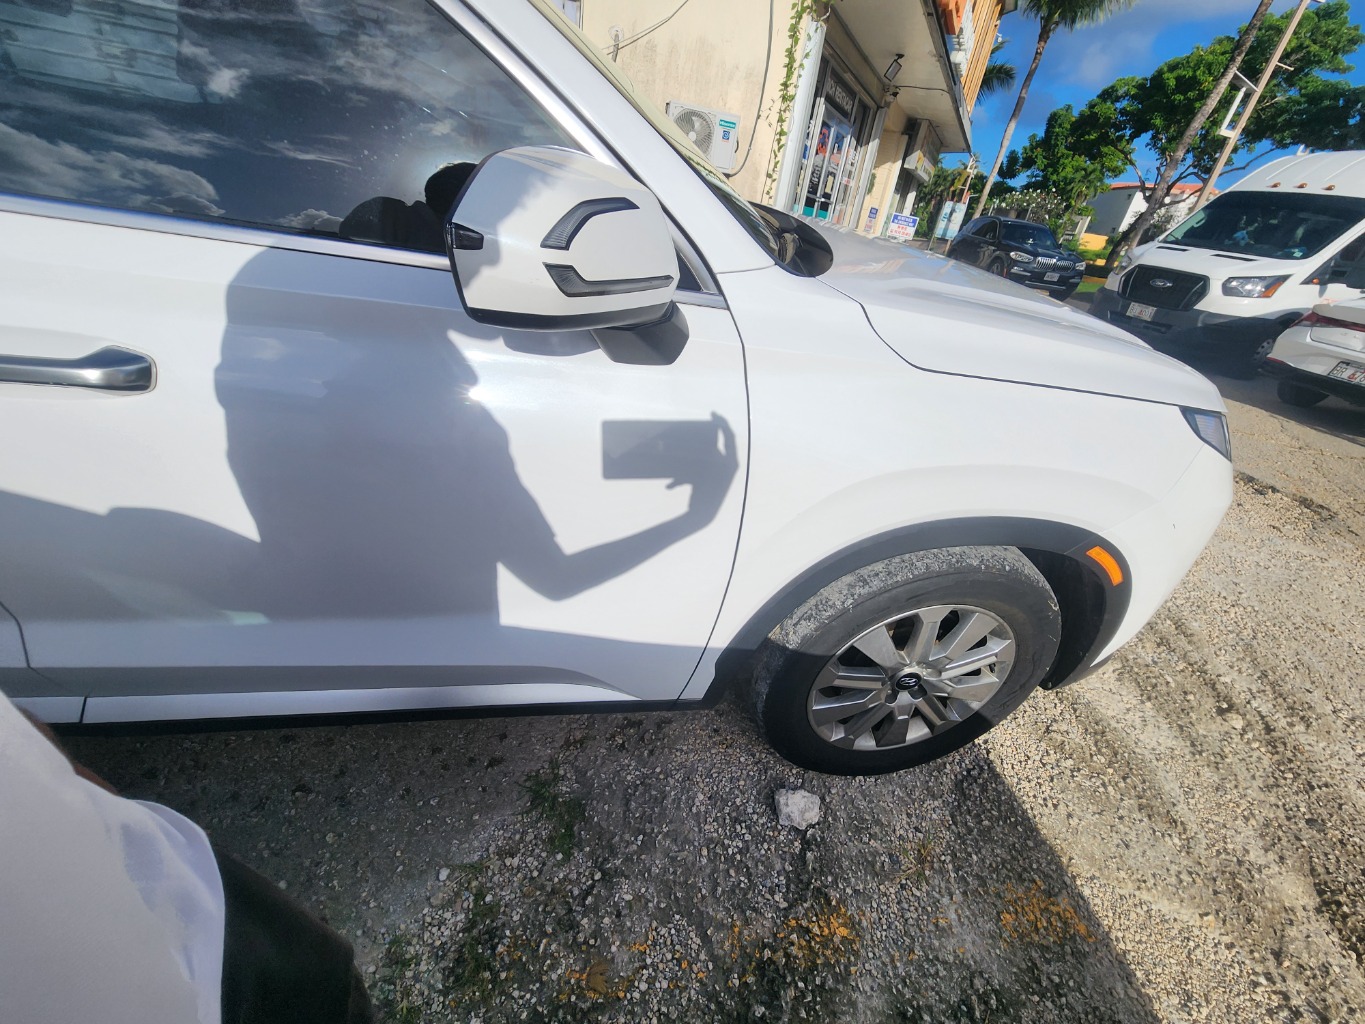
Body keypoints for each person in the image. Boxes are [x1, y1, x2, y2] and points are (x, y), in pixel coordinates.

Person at [0, 692, 373, 1024]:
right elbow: (34, 750)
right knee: (330, 991)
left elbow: (33, 749)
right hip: (222, 941)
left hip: (221, 937)